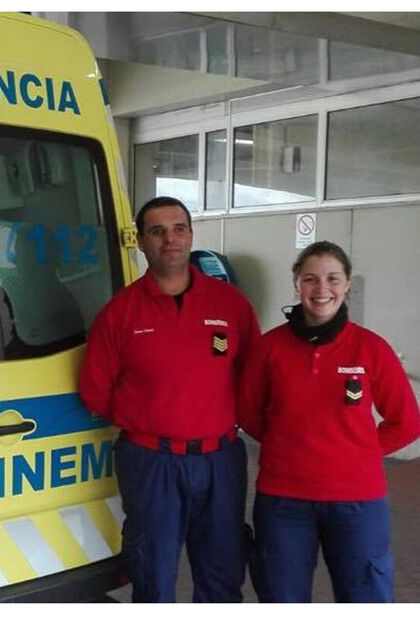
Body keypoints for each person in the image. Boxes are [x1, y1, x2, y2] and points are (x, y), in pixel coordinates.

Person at [79, 196, 260, 602]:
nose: (170, 239)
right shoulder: (120, 312)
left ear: (191, 235)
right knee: (152, 577)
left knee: (222, 577)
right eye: (157, 231)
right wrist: (151, 417)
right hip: (151, 466)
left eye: (179, 229)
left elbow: (254, 378)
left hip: (220, 462)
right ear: (142, 242)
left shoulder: (231, 305)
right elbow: (95, 389)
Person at [238, 240, 420, 603]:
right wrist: (289, 445)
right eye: (311, 279)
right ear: (296, 284)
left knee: (365, 598)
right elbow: (248, 413)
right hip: (284, 502)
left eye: (333, 279)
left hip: (358, 503)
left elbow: (406, 422)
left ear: (347, 284)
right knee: (281, 597)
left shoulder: (371, 348)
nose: (322, 289)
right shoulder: (270, 348)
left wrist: (355, 454)